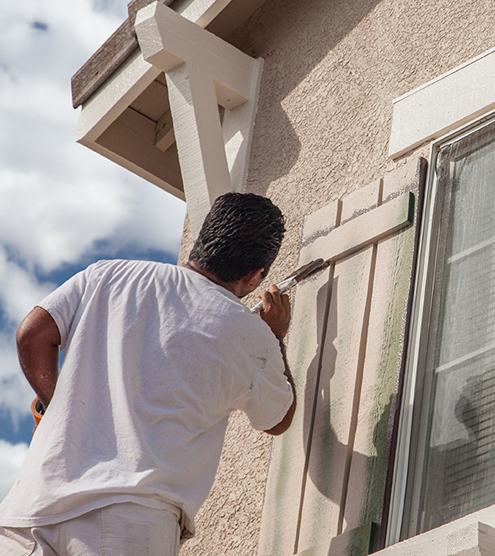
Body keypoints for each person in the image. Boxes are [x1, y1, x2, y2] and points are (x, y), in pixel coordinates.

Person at [0, 192, 295, 555]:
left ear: (202, 241)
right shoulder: (248, 334)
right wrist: (275, 335)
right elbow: (278, 418)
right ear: (254, 276)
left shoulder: (109, 274)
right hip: (129, 521)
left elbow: (32, 335)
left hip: (31, 510)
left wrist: (58, 408)